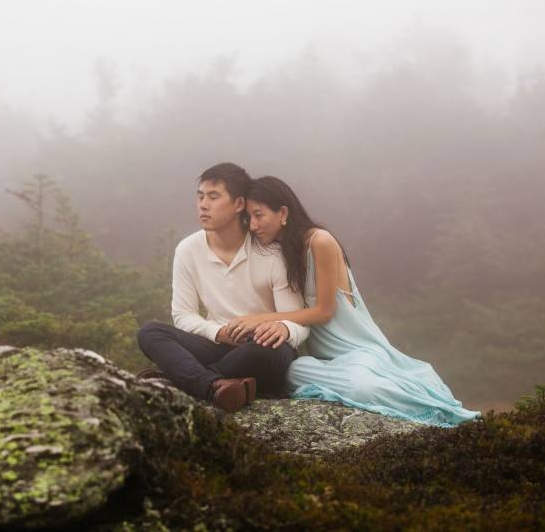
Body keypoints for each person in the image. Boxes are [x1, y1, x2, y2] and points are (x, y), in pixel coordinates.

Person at [226, 176, 479, 427]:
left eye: (259, 215)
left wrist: (260, 319)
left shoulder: (320, 241)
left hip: (358, 352)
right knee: (291, 372)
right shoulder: (280, 254)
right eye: (249, 218)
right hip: (322, 362)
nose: (253, 225)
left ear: (283, 213)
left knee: (361, 386)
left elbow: (324, 312)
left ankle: (433, 411)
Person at [136, 164, 309, 413]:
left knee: (268, 350)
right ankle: (217, 386)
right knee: (150, 333)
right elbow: (183, 315)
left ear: (239, 204)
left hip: (262, 347)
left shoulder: (271, 252)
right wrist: (219, 333)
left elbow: (299, 323)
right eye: (200, 197)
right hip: (215, 343)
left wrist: (282, 328)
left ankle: (187, 381)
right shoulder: (188, 249)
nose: (203, 205)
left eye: (214, 197)